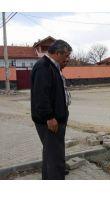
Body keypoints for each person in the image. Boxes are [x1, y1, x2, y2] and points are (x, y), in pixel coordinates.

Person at [31, 40, 72, 180]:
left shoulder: (53, 66)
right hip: (50, 121)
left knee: (51, 155)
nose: (68, 58)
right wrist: (50, 117)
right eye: (66, 55)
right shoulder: (44, 67)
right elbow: (41, 96)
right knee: (56, 158)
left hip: (55, 118)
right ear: (57, 53)